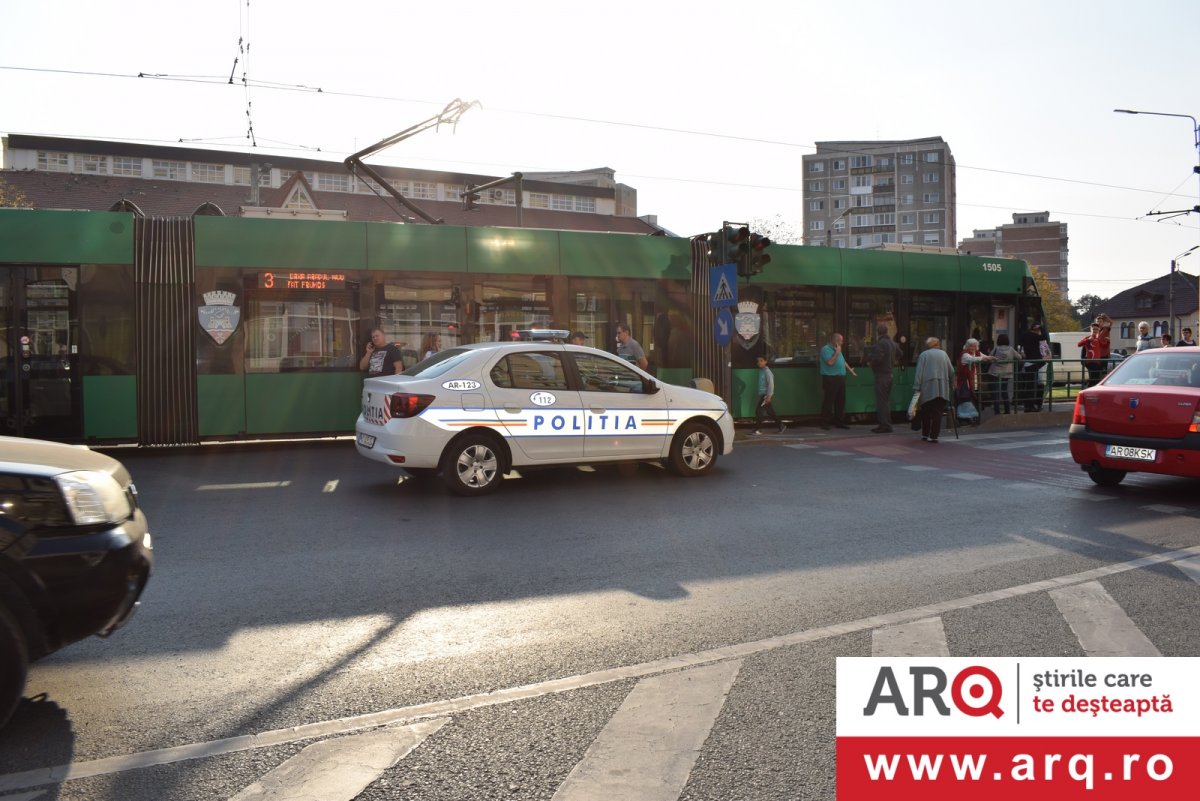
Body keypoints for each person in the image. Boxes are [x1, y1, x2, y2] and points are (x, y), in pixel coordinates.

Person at [912, 337, 955, 443]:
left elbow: (919, 373)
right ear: (938, 344)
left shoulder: (924, 355)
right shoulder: (944, 354)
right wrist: (951, 384)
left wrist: (917, 387)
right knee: (937, 412)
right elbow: (952, 371)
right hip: (942, 388)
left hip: (928, 388)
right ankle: (934, 436)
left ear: (928, 345)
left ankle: (925, 434)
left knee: (926, 412)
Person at [819, 332, 857, 430]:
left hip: (840, 378)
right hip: (830, 378)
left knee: (840, 401)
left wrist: (850, 371)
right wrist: (837, 352)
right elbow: (830, 362)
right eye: (841, 341)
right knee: (829, 401)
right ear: (835, 341)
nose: (842, 343)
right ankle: (825, 423)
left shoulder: (838, 349)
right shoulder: (826, 349)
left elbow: (843, 362)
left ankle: (839, 421)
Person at [866, 323, 899, 433]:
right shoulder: (893, 343)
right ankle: (886, 424)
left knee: (881, 402)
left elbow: (877, 359)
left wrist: (870, 363)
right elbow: (900, 353)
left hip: (881, 376)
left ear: (878, 332)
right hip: (890, 375)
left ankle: (885, 425)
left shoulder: (880, 344)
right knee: (885, 401)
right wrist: (892, 362)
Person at [956, 338, 995, 423]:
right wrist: (985, 359)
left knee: (974, 399)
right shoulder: (964, 354)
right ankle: (964, 418)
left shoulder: (977, 353)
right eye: (971, 345)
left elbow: (984, 356)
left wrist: (991, 358)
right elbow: (972, 359)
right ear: (967, 346)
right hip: (965, 382)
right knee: (966, 399)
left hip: (975, 380)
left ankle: (973, 417)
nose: (973, 347)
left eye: (974, 345)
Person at [1016, 322, 1049, 411]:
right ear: (1036, 330)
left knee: (1028, 385)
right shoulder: (1034, 336)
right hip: (1034, 361)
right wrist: (1042, 328)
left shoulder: (1024, 335)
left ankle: (1028, 405)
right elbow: (1044, 337)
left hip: (1028, 362)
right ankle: (1031, 405)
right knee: (1033, 385)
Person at [751, 355, 785, 435]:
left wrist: (769, 396)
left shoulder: (767, 372)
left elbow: (771, 384)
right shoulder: (761, 371)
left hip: (765, 395)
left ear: (766, 362)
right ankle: (781, 425)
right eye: (758, 361)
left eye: (761, 360)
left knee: (758, 411)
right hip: (763, 395)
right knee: (770, 412)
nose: (759, 362)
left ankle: (758, 429)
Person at [988, 333, 1020, 414]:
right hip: (1006, 373)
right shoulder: (1011, 349)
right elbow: (1019, 357)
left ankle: (997, 411)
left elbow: (989, 357)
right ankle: (1007, 410)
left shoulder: (996, 348)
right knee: (1004, 391)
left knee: (995, 392)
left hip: (995, 373)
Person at [1077, 319, 1111, 387]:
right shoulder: (1088, 338)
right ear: (1091, 330)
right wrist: (1087, 340)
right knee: (1093, 378)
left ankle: (1090, 390)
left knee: (1096, 379)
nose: (1095, 331)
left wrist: (1108, 342)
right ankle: (1088, 390)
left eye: (1096, 329)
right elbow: (1079, 344)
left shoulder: (1098, 339)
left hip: (1097, 362)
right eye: (1094, 329)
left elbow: (1104, 346)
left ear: (1098, 330)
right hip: (1090, 362)